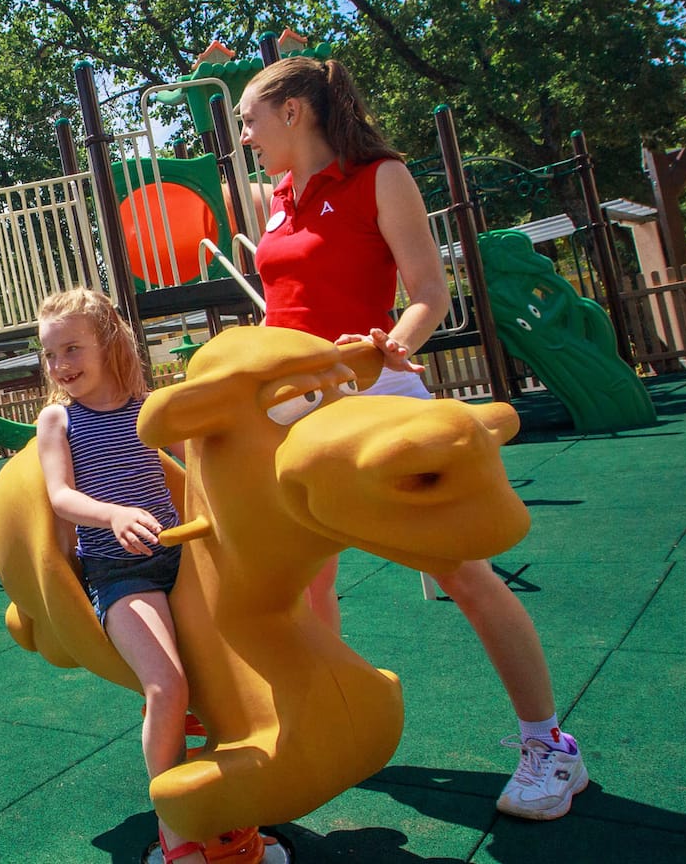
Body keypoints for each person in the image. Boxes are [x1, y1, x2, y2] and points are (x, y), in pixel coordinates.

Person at [239, 55, 587, 821]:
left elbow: (428, 292)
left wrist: (396, 342)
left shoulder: (381, 176)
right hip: (296, 410)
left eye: (250, 120)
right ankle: (328, 722)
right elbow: (284, 310)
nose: (245, 137)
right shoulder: (276, 199)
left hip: (374, 393)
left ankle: (551, 749)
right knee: (306, 584)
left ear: (294, 111)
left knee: (464, 571)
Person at [32, 288, 209, 861]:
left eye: (72, 349)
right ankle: (175, 824)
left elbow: (202, 461)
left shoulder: (146, 405)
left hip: (180, 558)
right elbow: (60, 496)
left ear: (108, 342)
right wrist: (111, 514)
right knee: (168, 684)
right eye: (51, 354)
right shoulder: (59, 418)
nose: (61, 366)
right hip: (119, 572)